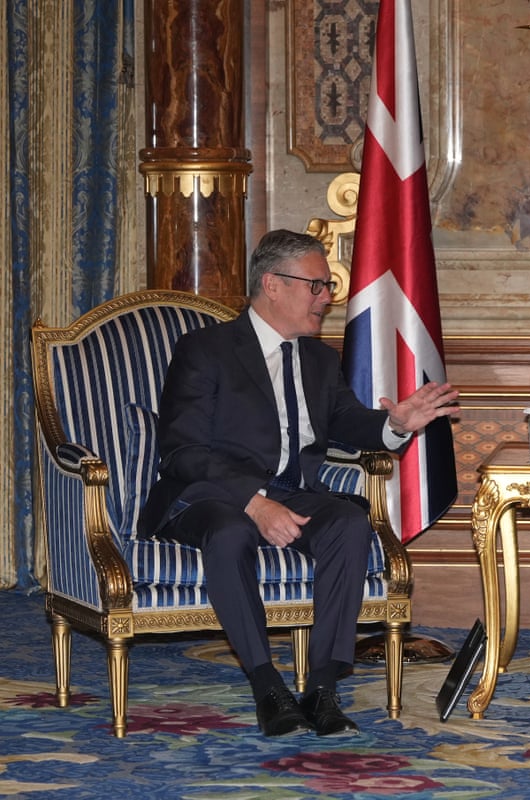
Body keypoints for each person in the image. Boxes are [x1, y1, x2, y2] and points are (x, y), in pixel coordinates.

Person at [138, 229, 459, 738]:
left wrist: (396, 425)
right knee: (230, 532)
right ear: (272, 284)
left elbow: (348, 422)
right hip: (211, 496)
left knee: (349, 523)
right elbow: (184, 451)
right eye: (316, 285)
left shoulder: (319, 359)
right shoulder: (207, 350)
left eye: (328, 286)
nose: (327, 297)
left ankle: (322, 689)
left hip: (293, 491)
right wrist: (255, 503)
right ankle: (268, 687)